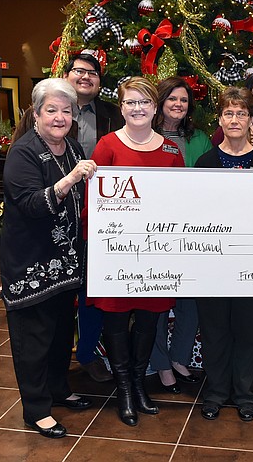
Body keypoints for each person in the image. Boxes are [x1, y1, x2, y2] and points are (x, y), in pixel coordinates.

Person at [0, 78, 98, 439]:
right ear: (37, 113)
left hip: (64, 266)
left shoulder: (71, 147)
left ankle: (59, 389)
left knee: (59, 336)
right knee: (33, 341)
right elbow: (29, 204)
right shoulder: (23, 152)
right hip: (31, 266)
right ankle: (36, 410)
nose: (60, 117)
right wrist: (70, 180)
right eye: (51, 110)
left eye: (66, 111)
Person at [86, 77, 182, 427]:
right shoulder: (107, 146)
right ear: (122, 107)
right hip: (115, 253)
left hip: (157, 252)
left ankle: (140, 384)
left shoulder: (171, 151)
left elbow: (182, 202)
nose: (137, 108)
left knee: (147, 320)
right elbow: (92, 202)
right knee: (114, 320)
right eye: (130, 102)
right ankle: (124, 388)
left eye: (144, 102)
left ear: (155, 108)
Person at [194, 86, 253, 422]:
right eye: (229, 113)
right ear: (220, 119)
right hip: (213, 264)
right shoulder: (205, 162)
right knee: (214, 332)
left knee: (246, 331)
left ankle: (243, 393)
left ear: (250, 118)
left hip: (252, 264)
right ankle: (215, 392)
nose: (235, 119)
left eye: (242, 113)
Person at [149, 77, 212, 393]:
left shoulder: (200, 138)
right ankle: (161, 364)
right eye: (172, 98)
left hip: (194, 231)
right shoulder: (145, 136)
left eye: (184, 100)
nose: (178, 104)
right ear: (160, 101)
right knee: (158, 299)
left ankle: (179, 357)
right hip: (156, 231)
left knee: (192, 300)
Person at [64, 51, 123, 383]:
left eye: (93, 73)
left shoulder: (114, 115)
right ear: (67, 75)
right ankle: (59, 357)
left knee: (92, 286)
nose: (85, 77)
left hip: (100, 216)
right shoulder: (44, 112)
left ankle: (87, 352)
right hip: (58, 211)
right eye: (78, 71)